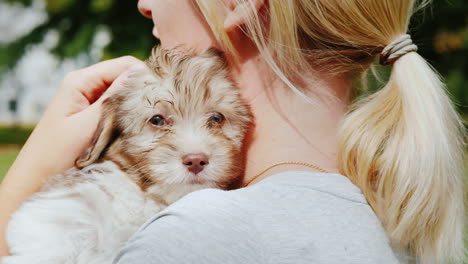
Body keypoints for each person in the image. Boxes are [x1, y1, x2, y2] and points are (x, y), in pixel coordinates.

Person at [0, 0, 464, 263]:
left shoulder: (200, 237)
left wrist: (27, 176)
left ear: (236, 4)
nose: (143, 4)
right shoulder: (396, 214)